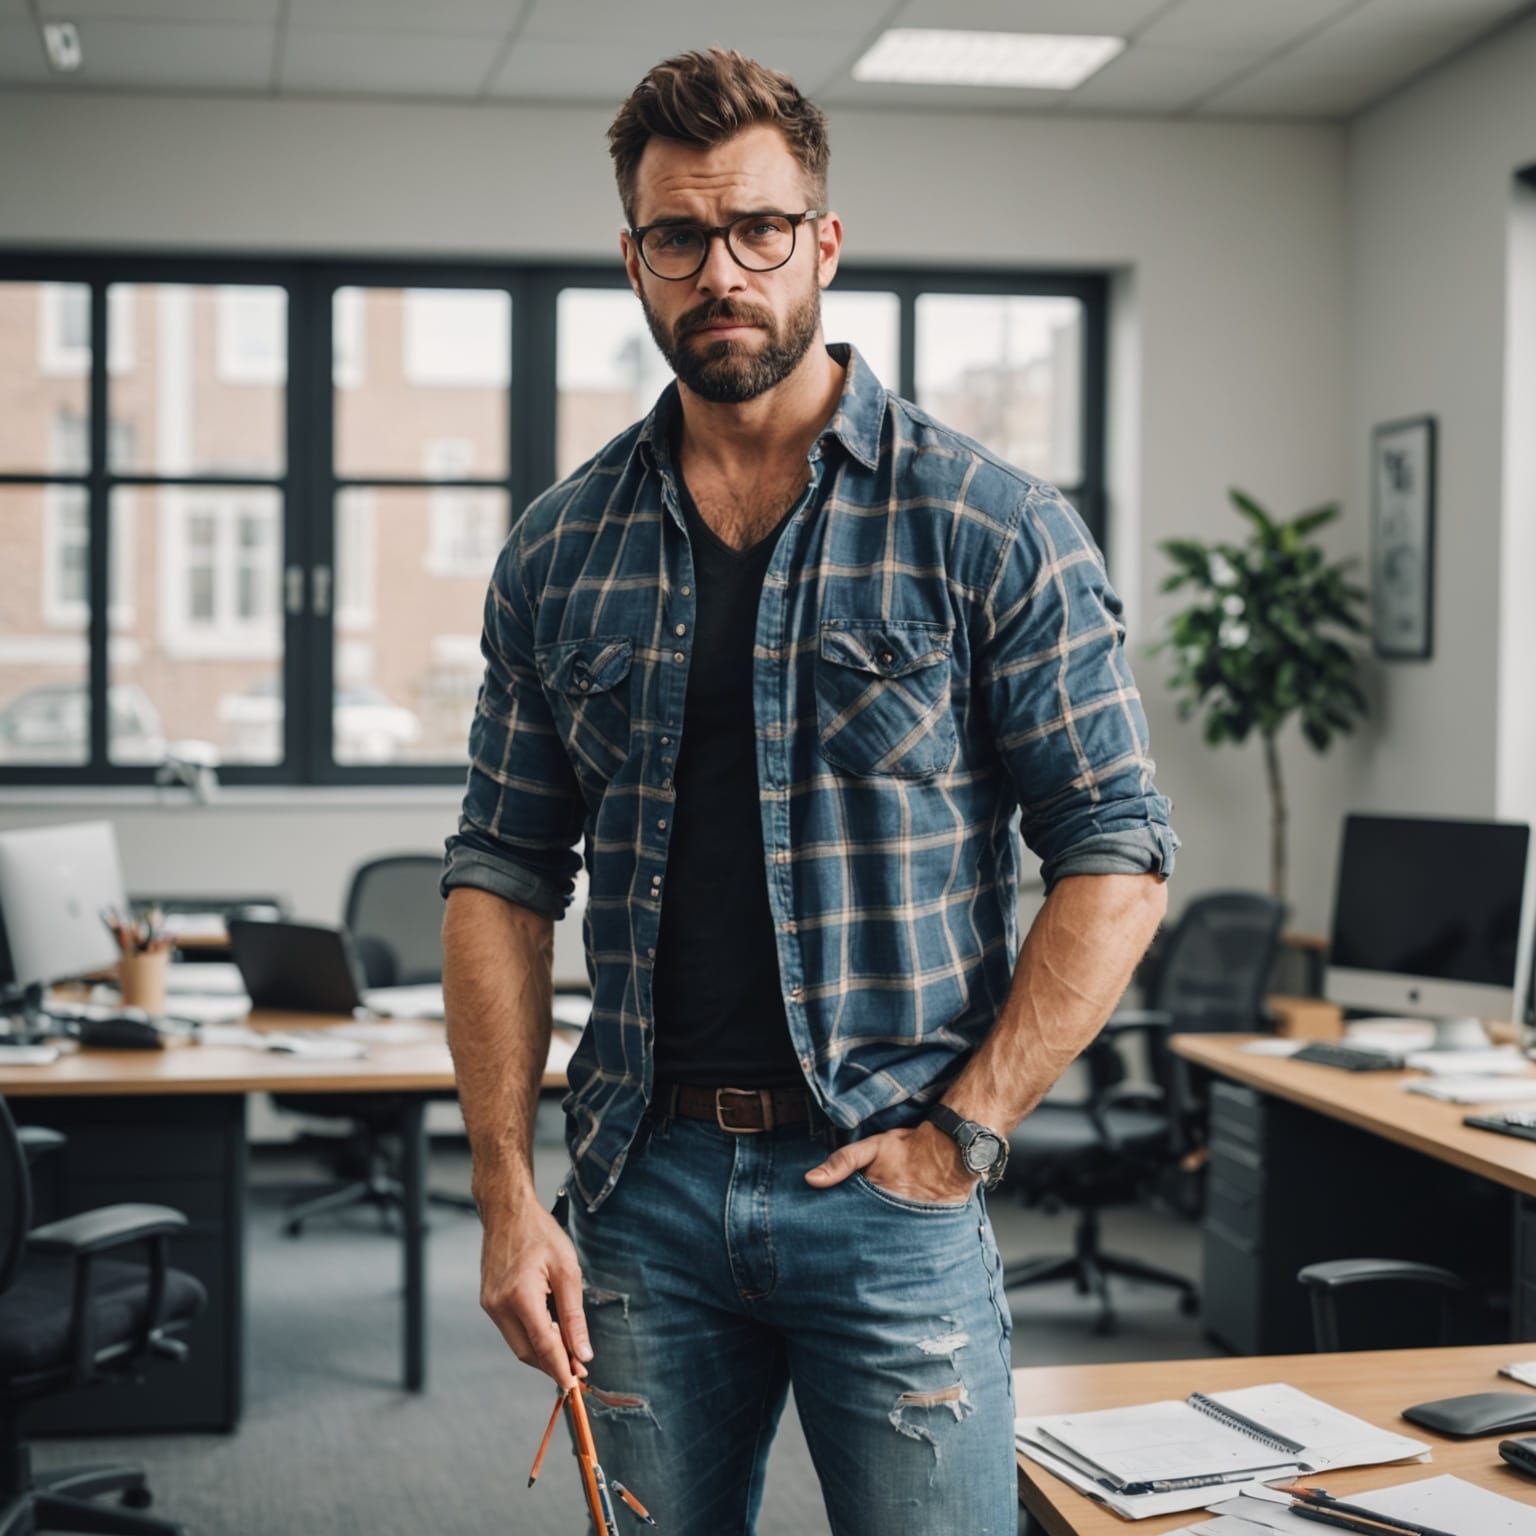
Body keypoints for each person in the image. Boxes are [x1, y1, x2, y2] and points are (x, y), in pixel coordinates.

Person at [441, 45, 1177, 1536]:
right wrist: (510, 1191)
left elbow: (1116, 850)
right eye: (679, 237)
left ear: (822, 243)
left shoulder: (990, 524)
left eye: (759, 230)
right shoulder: (560, 549)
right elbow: (501, 872)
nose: (723, 271)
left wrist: (964, 1131)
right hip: (643, 1184)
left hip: (891, 1193)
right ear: (634, 258)